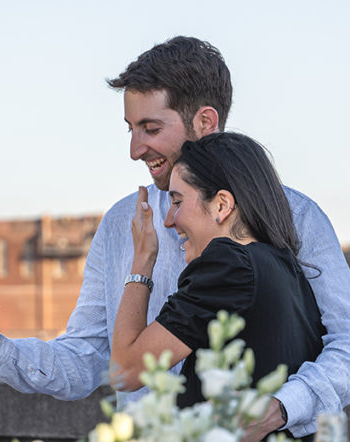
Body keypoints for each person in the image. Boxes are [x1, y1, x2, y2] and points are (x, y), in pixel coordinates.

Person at [0, 36, 350, 442]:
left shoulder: (297, 217)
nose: (135, 149)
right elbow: (89, 356)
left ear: (205, 123)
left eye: (150, 128)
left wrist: (280, 407)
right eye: (130, 129)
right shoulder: (123, 222)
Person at [110, 132, 324, 419]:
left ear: (222, 205)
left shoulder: (229, 264)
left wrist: (142, 259)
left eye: (177, 201)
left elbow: (125, 371)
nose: (168, 220)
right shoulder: (284, 266)